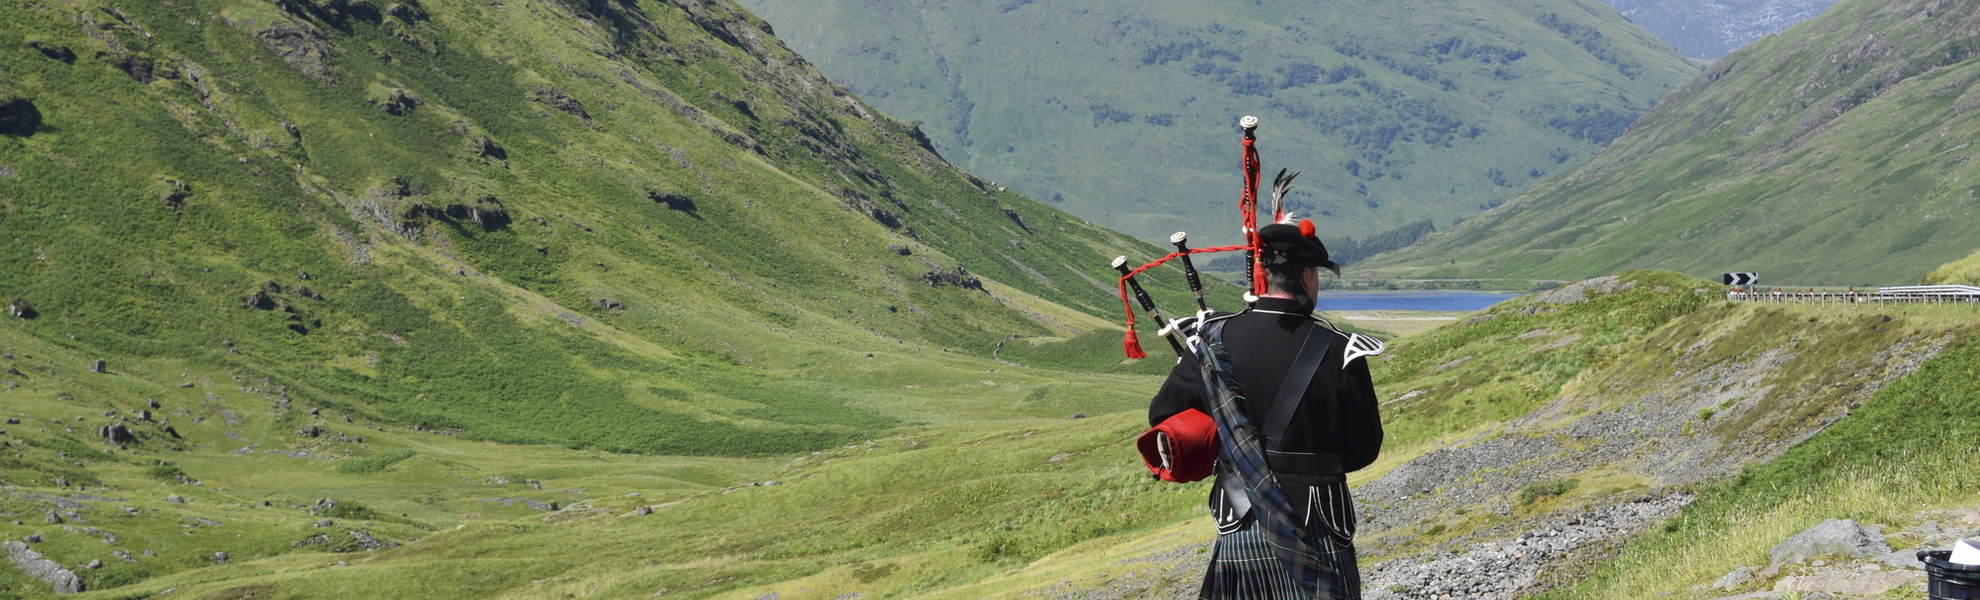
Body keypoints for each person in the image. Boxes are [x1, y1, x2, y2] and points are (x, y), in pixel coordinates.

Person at [1147, 219, 1384, 600]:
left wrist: (1235, 452)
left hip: (1240, 516)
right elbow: (1364, 447)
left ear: (1265, 275)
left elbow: (1165, 417)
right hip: (1319, 520)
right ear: (1306, 275)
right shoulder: (1341, 349)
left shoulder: (1211, 339)